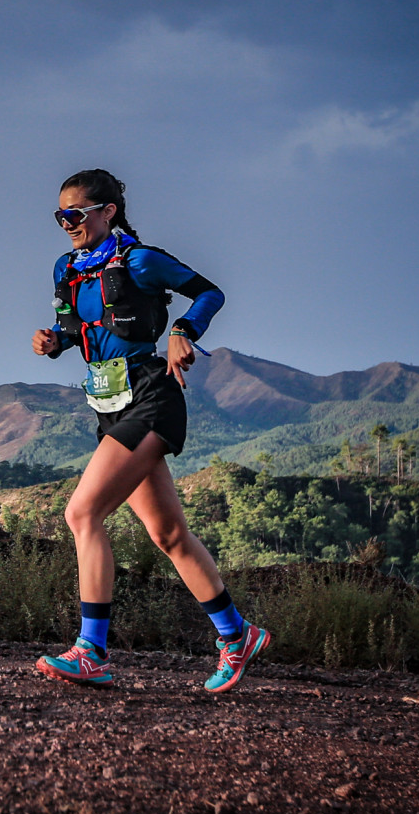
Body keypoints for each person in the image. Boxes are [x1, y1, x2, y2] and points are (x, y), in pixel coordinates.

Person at [31, 169, 271, 692]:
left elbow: (209, 293)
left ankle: (91, 651)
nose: (66, 223)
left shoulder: (139, 260)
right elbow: (84, 330)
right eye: (60, 216)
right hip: (109, 406)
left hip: (150, 396)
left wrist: (184, 331)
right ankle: (238, 635)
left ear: (107, 212)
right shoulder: (66, 269)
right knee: (168, 535)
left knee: (82, 512)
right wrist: (55, 342)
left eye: (75, 214)